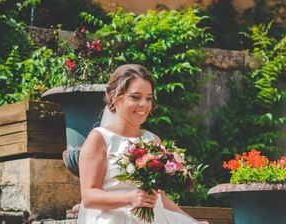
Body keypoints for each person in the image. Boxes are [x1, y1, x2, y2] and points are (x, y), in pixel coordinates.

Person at [77, 64, 209, 224]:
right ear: (113, 96)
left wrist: (192, 221)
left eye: (148, 98)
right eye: (135, 97)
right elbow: (89, 197)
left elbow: (160, 197)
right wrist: (129, 198)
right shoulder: (99, 139)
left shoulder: (153, 140)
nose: (144, 105)